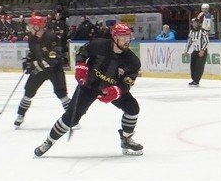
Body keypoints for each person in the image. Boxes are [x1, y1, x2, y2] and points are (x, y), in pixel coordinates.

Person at [34, 22, 143, 157]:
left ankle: (126, 139)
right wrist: (80, 65)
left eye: (129, 37)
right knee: (70, 118)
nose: (127, 40)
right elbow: (82, 52)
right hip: (89, 86)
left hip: (109, 88)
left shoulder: (133, 61)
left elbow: (127, 83)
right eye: (123, 37)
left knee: (133, 108)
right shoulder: (99, 44)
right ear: (114, 37)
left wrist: (117, 91)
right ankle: (49, 141)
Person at [14, 14, 70, 127]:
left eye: (31, 25)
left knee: (61, 93)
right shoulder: (31, 38)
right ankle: (20, 115)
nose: (29, 27)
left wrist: (37, 64)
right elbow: (33, 53)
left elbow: (54, 57)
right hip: (40, 69)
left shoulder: (52, 37)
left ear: (37, 26)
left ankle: (72, 117)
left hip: (55, 69)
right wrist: (28, 61)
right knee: (28, 92)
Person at [185, 17, 210, 87]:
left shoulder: (203, 31)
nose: (194, 24)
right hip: (195, 51)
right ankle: (194, 79)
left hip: (202, 51)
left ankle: (196, 80)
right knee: (192, 66)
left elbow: (206, 41)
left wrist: (202, 50)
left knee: (199, 66)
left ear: (198, 23)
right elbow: (189, 42)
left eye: (195, 23)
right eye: (193, 23)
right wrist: (186, 51)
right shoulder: (191, 32)